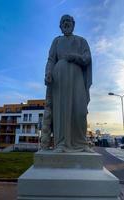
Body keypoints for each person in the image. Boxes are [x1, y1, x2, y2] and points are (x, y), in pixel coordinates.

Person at [41, 14, 92, 152]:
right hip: (60, 78)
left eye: (68, 21)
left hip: (77, 77)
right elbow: (51, 60)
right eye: (63, 22)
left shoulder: (81, 41)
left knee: (80, 110)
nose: (66, 23)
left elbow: (87, 58)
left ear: (73, 24)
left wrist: (75, 57)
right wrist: (48, 73)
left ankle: (82, 144)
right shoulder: (56, 41)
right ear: (60, 26)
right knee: (61, 111)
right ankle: (61, 143)